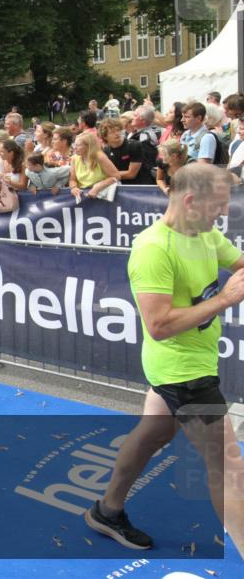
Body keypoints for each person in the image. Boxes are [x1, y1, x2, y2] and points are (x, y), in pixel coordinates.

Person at [85, 164, 244, 551]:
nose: (223, 214)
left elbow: (239, 263)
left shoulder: (203, 234)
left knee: (151, 434)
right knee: (228, 467)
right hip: (181, 370)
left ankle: (107, 511)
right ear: (190, 201)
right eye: (218, 206)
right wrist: (225, 299)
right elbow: (158, 324)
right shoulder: (154, 248)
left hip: (189, 362)